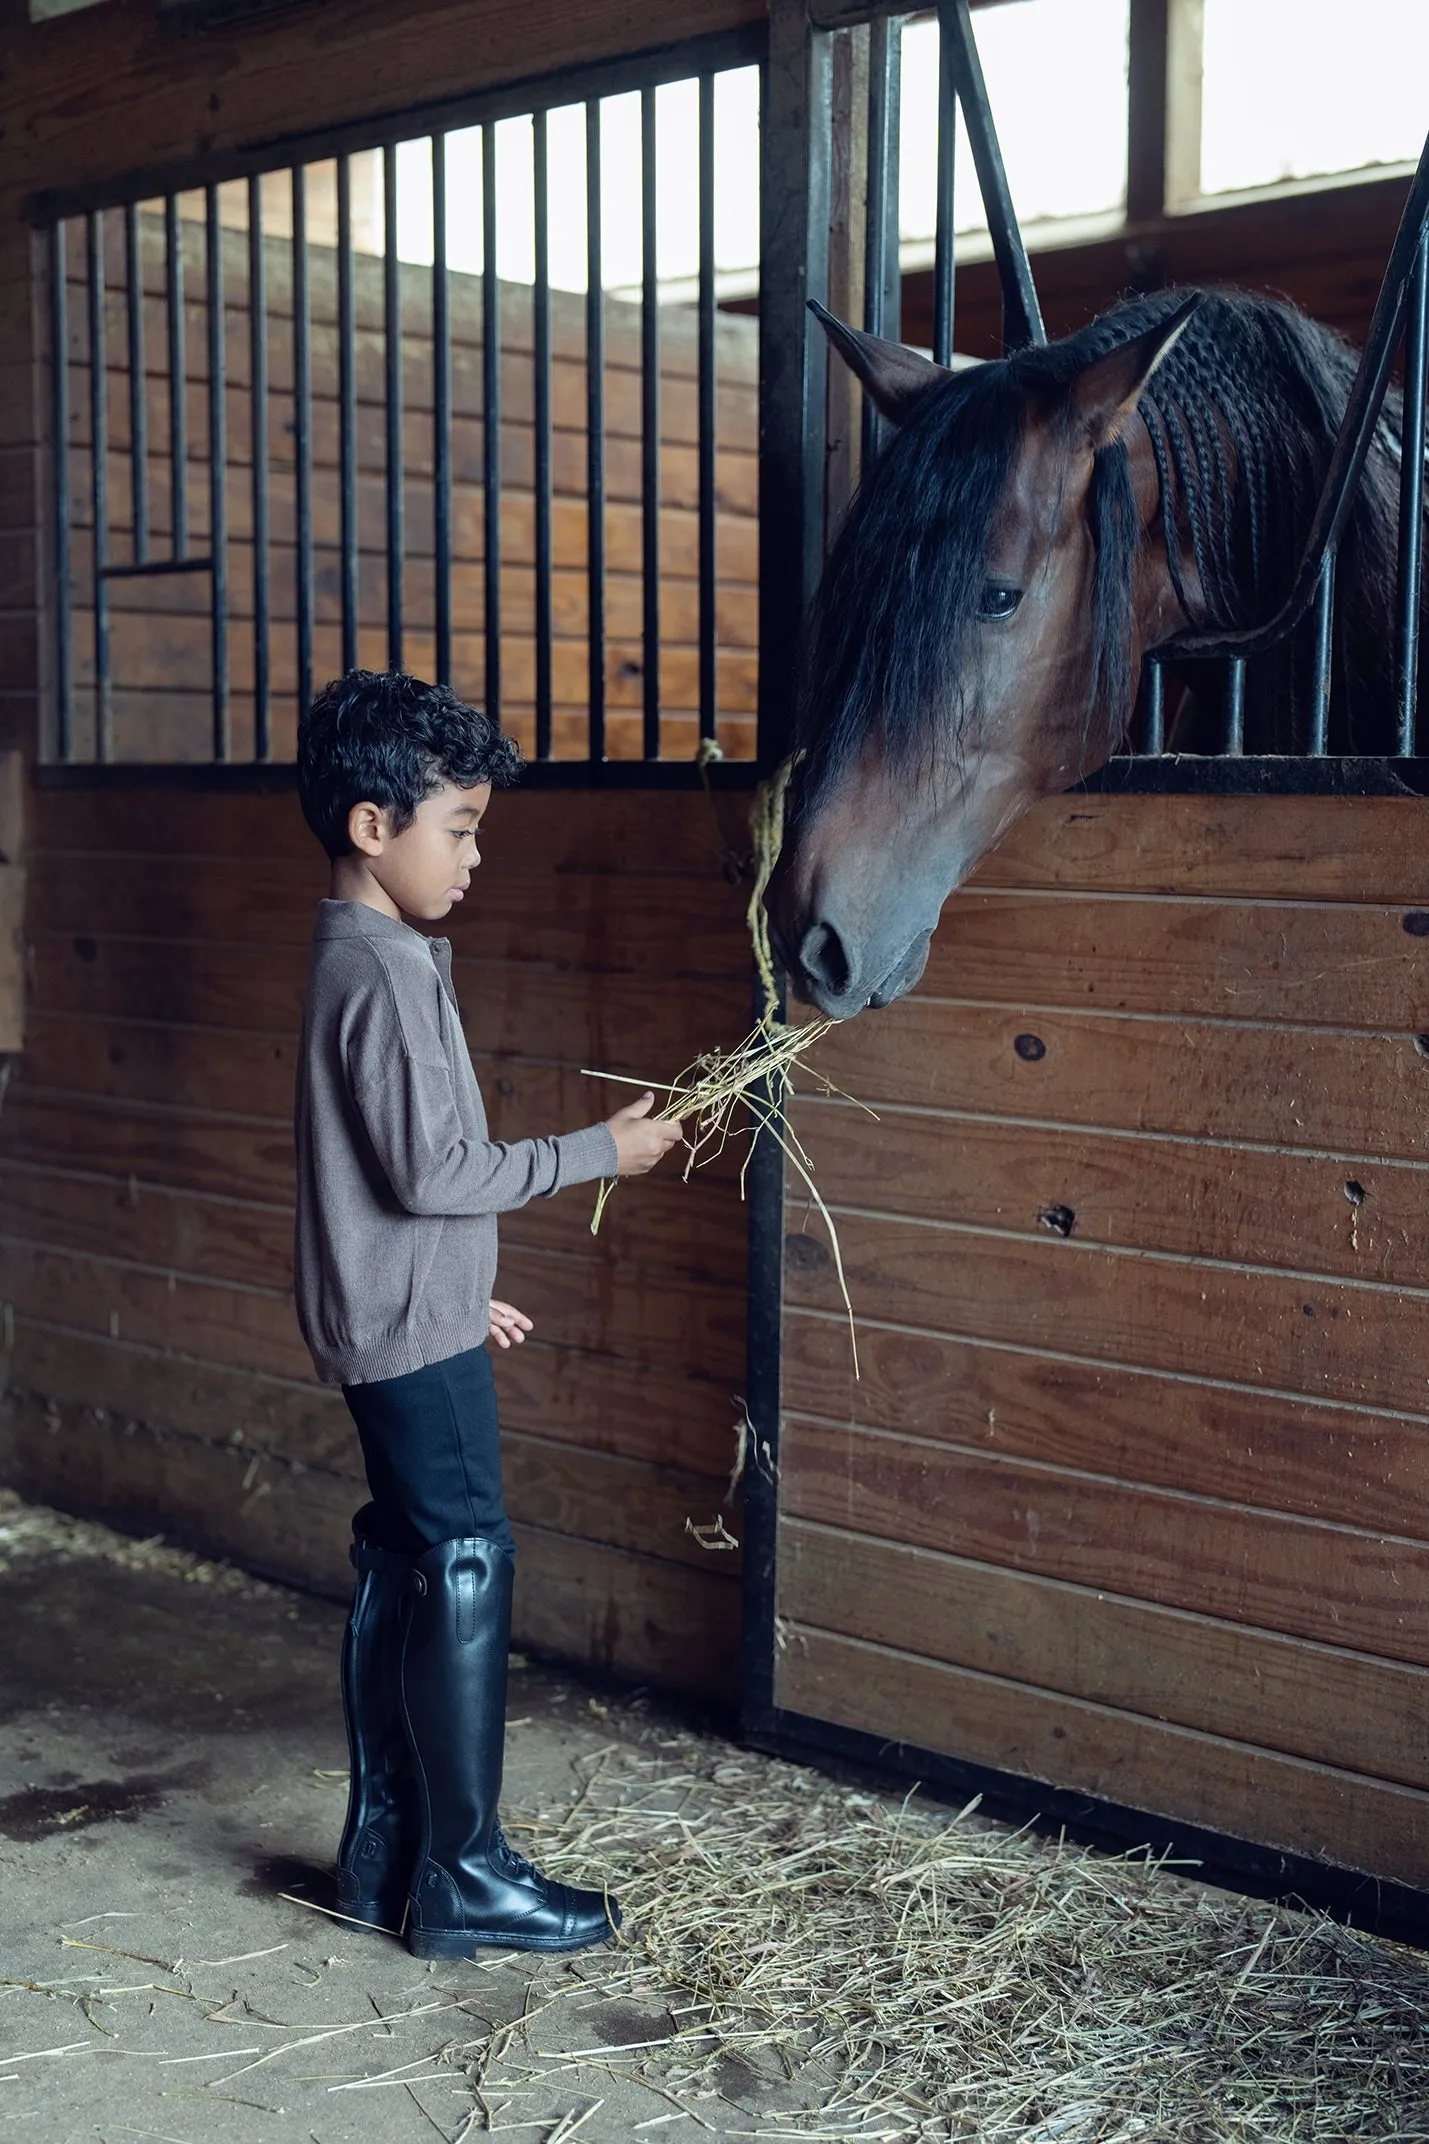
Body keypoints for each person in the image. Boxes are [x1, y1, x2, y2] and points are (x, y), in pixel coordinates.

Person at [293, 670, 684, 1959]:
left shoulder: (361, 952)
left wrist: (461, 1288)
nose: (472, 852)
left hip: (402, 1312)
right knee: (463, 1554)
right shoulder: (386, 971)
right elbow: (433, 1172)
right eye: (455, 826)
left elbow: (392, 1177)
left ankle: (383, 1852)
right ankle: (463, 1875)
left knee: (407, 1557)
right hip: (403, 1328)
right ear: (372, 828)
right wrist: (596, 1155)